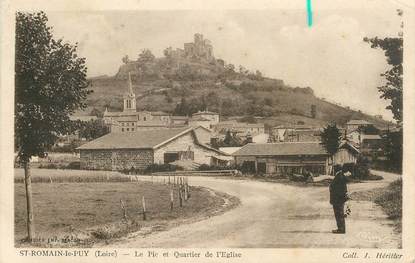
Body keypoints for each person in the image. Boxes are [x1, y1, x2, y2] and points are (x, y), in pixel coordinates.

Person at [329, 168, 348, 234]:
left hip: (338, 199)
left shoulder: (339, 177)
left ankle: (341, 229)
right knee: (339, 214)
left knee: (339, 214)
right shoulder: (340, 176)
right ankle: (341, 228)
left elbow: (341, 189)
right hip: (338, 199)